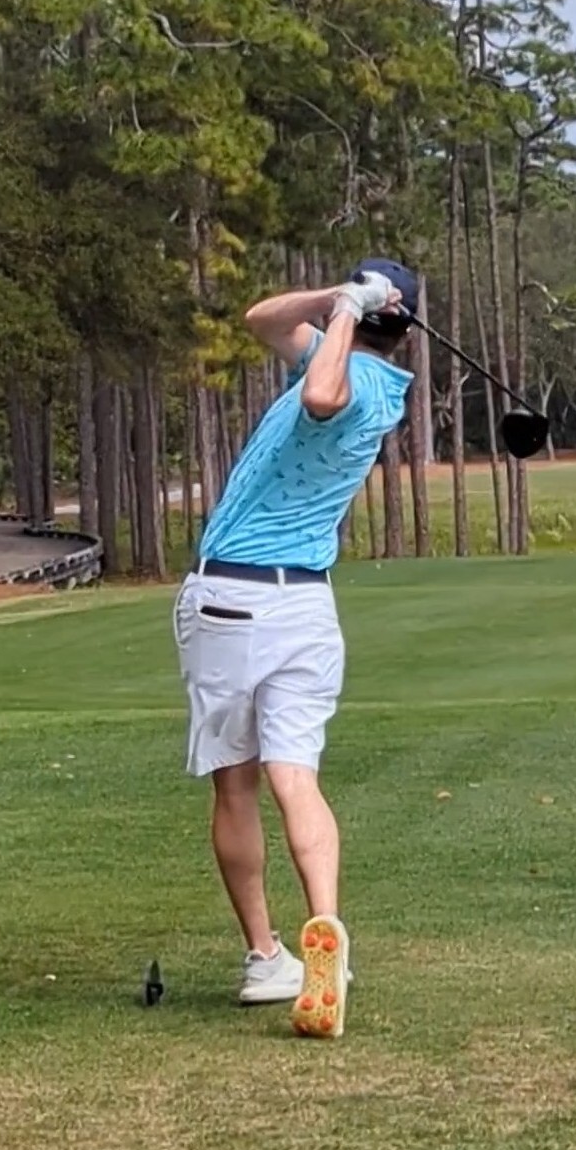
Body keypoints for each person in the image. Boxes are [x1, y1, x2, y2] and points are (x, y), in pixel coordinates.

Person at [171, 258, 418, 1039]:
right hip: (305, 602)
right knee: (294, 777)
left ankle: (265, 954)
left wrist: (344, 313)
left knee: (236, 786)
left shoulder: (366, 387)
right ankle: (324, 942)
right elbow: (261, 320)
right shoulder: (339, 352)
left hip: (235, 597)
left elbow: (320, 396)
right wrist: (339, 300)